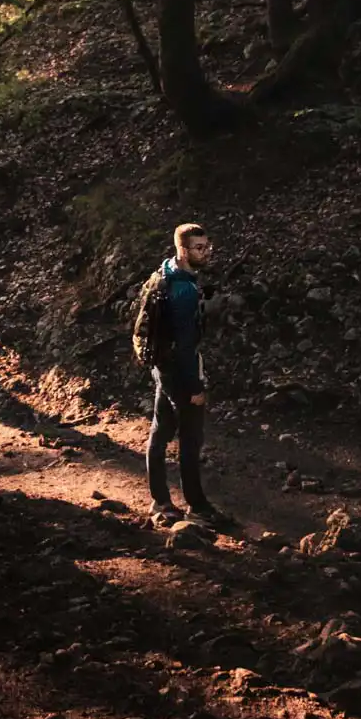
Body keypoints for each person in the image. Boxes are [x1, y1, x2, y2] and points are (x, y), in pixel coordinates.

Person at [145, 222, 232, 530]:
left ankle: (161, 501)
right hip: (180, 372)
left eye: (208, 246)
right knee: (191, 438)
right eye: (199, 248)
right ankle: (197, 506)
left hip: (162, 367)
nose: (206, 253)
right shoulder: (182, 290)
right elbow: (185, 347)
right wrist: (194, 388)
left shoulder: (164, 273)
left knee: (161, 429)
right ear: (183, 250)